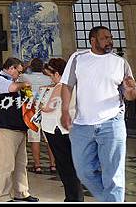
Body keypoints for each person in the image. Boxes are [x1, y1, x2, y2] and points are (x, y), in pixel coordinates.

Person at [60, 26, 136, 202]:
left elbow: (131, 96)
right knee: (84, 172)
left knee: (114, 175)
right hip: (82, 125)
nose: (109, 41)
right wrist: (65, 111)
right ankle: (108, 200)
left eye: (110, 37)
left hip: (112, 122)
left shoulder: (120, 62)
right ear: (93, 40)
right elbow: (67, 85)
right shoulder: (78, 58)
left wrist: (131, 88)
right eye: (104, 38)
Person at [0, 57, 39, 202]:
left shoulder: (16, 82)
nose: (19, 75)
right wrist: (23, 83)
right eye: (18, 72)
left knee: (21, 163)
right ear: (11, 68)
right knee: (6, 164)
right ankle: (4, 196)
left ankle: (21, 192)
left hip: (20, 127)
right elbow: (11, 88)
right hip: (6, 127)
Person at [40, 58, 84, 202]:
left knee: (65, 165)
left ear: (58, 74)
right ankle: (74, 196)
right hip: (70, 128)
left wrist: (37, 102)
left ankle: (72, 197)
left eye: (51, 75)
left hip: (58, 130)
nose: (50, 78)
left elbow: (48, 107)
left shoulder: (60, 86)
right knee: (70, 164)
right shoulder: (73, 83)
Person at [21, 58, 55, 174]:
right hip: (46, 110)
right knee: (49, 139)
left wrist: (26, 66)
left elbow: (18, 76)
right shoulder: (48, 79)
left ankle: (37, 165)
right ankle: (53, 165)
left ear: (31, 66)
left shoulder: (26, 77)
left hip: (33, 110)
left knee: (34, 138)